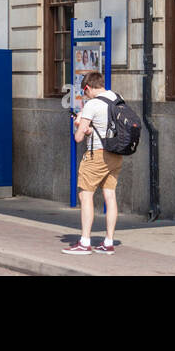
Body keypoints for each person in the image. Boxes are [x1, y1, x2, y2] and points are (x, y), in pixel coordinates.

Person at [63, 71, 122, 256]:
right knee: (110, 195)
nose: (84, 96)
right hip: (116, 154)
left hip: (96, 154)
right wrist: (89, 130)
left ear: (88, 88)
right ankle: (108, 242)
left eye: (84, 92)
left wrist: (78, 124)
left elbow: (78, 138)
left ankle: (85, 242)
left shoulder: (92, 105)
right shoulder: (116, 97)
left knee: (85, 196)